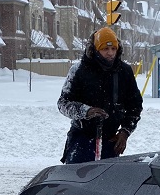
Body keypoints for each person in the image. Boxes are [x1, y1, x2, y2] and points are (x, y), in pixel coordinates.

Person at [58, 26, 143, 163]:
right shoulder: (79, 70)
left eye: (113, 49)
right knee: (77, 181)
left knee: (106, 182)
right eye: (105, 49)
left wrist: (125, 132)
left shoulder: (124, 72)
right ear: (96, 50)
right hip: (81, 140)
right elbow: (63, 103)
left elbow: (135, 106)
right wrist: (86, 111)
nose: (110, 53)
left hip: (110, 142)